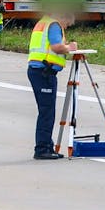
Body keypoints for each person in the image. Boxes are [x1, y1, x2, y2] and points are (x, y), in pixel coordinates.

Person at [27, 12, 77, 160]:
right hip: (44, 72)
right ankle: (42, 148)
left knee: (46, 111)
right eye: (67, 24)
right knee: (47, 112)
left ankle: (47, 145)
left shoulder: (44, 22)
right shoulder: (54, 25)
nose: (66, 27)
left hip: (40, 71)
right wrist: (69, 48)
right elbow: (56, 47)